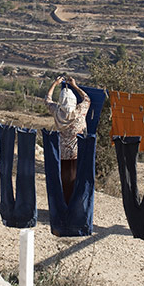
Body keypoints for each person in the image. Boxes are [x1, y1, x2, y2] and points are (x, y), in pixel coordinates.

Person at [45, 76, 90, 204]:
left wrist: (55, 83)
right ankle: (74, 207)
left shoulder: (57, 112)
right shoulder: (80, 112)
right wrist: (75, 86)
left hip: (61, 153)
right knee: (75, 181)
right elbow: (87, 99)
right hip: (77, 154)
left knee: (63, 182)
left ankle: (63, 206)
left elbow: (47, 100)